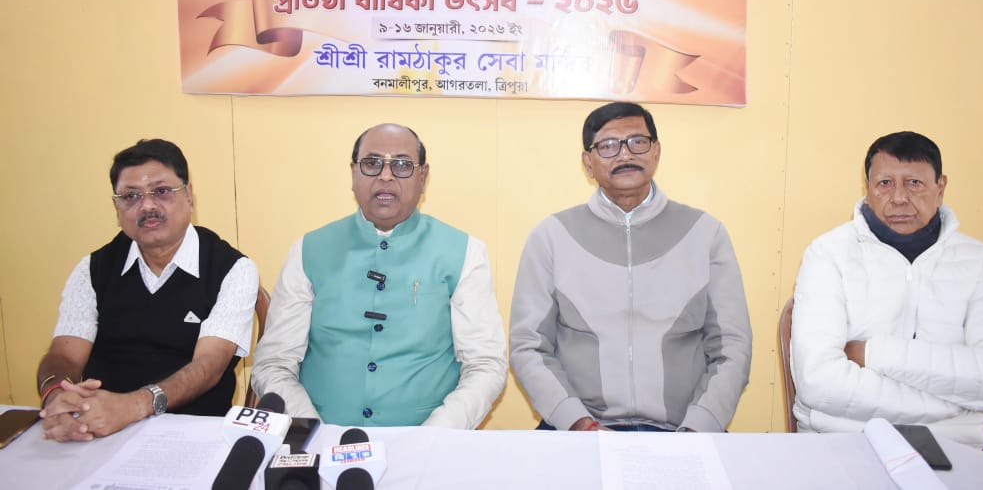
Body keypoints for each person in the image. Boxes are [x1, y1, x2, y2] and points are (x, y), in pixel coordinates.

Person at [510, 102, 753, 432]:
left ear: (656, 152)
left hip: (682, 429)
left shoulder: (705, 233)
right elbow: (528, 347)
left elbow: (733, 348)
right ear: (588, 162)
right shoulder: (552, 236)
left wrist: (698, 427)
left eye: (638, 142)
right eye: (608, 145)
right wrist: (578, 423)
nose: (625, 154)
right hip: (577, 429)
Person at [252, 123, 506, 428]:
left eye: (402, 165)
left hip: (426, 438)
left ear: (423, 177)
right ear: (353, 173)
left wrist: (434, 435)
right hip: (323, 436)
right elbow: (273, 364)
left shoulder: (464, 253)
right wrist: (312, 431)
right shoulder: (308, 251)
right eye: (372, 163)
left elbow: (485, 365)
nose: (386, 176)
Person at [791, 131, 983, 449]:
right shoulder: (829, 253)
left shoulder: (977, 260)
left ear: (940, 188)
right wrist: (958, 402)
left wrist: (873, 353)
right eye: (884, 183)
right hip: (841, 440)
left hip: (954, 446)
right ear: (867, 188)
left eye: (914, 183)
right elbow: (818, 382)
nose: (899, 198)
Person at [36, 139, 259, 442]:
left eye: (162, 191)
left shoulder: (232, 269)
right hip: (100, 430)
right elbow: (64, 356)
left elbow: (208, 367)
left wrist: (135, 405)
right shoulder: (93, 269)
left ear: (188, 195)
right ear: (117, 208)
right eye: (131, 196)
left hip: (193, 432)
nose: (148, 206)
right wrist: (56, 397)